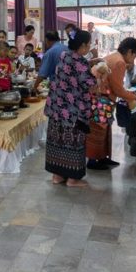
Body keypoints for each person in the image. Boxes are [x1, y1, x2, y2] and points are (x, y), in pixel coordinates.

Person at [88, 37, 136, 170]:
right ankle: (94, 160)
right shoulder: (119, 62)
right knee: (99, 129)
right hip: (101, 97)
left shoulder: (113, 56)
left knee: (104, 129)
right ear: (129, 52)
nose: (134, 59)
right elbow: (118, 89)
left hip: (101, 96)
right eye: (135, 55)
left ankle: (102, 158)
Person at [45, 28, 97, 187]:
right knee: (74, 142)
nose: (89, 47)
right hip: (73, 112)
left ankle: (57, 176)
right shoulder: (79, 62)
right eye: (88, 45)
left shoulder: (64, 55)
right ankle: (73, 179)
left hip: (56, 109)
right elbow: (91, 85)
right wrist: (100, 76)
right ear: (82, 46)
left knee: (57, 140)